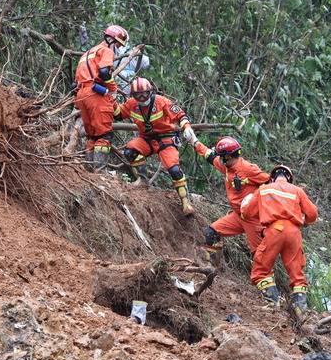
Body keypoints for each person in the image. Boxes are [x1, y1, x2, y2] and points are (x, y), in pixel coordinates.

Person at [113, 77, 198, 215]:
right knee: (129, 151)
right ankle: (143, 181)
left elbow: (180, 115)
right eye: (137, 94)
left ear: (150, 92)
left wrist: (187, 127)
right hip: (146, 139)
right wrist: (110, 97)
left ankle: (185, 202)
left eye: (144, 93)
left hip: (166, 139)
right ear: (132, 95)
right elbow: (118, 115)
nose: (141, 97)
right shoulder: (131, 104)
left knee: (174, 170)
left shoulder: (161, 101)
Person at [241, 165, 318, 317]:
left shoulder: (264, 189)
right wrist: (304, 222)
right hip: (294, 233)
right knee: (297, 274)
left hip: (275, 230)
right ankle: (300, 310)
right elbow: (313, 214)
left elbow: (247, 213)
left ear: (273, 177)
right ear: (289, 178)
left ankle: (273, 304)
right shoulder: (297, 190)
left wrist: (249, 206)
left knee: (261, 270)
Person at [192, 136, 269, 265]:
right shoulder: (227, 167)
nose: (220, 159)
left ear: (228, 156)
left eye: (222, 156)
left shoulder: (248, 169)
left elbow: (272, 183)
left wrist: (255, 196)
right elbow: (210, 156)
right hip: (238, 216)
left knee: (260, 258)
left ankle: (266, 283)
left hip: (253, 219)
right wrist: (194, 142)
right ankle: (210, 266)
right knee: (210, 234)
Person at [73, 25, 127, 171]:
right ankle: (100, 172)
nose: (117, 47)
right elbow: (104, 72)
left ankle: (90, 171)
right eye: (117, 44)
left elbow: (75, 82)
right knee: (104, 134)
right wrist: (113, 88)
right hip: (95, 95)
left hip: (81, 96)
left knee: (92, 136)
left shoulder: (88, 53)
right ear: (110, 39)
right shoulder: (106, 50)